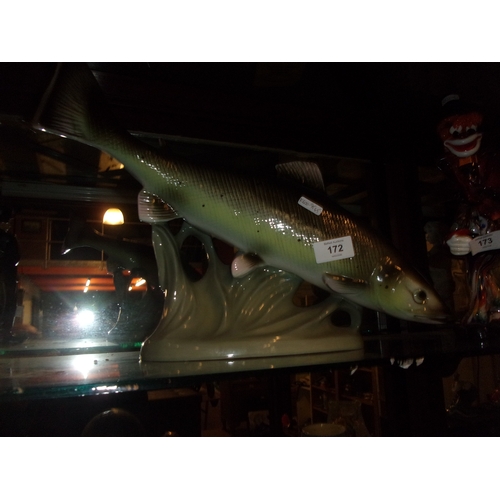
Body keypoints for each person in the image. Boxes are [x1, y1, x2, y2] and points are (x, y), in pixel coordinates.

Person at [437, 94, 500, 329]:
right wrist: (455, 238)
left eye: (469, 129)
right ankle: (485, 312)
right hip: (480, 262)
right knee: (481, 279)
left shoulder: (493, 168)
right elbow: (460, 215)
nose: (462, 137)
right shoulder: (461, 183)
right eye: (452, 132)